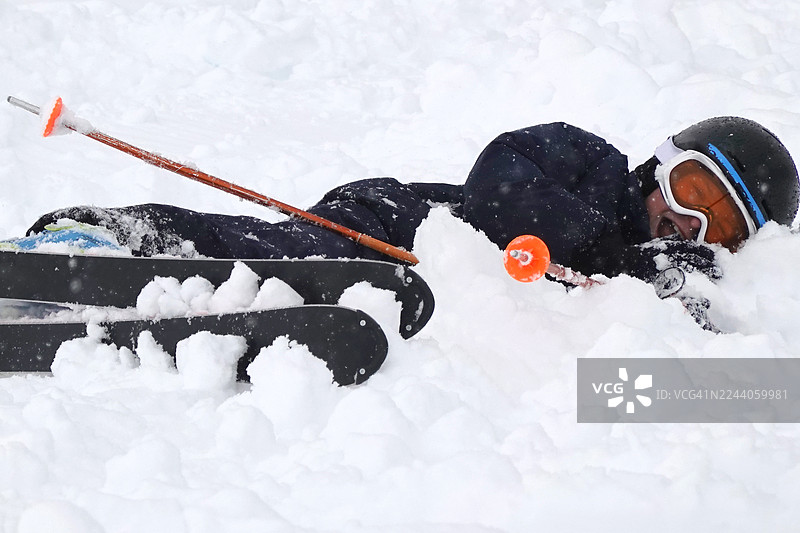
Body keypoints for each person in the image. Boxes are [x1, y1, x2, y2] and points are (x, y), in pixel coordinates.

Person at [22, 116, 800, 288]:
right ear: (661, 167)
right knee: (282, 254)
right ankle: (107, 235)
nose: (685, 222)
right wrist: (612, 255)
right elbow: (501, 178)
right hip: (393, 224)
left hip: (409, 296)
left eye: (719, 226)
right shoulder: (589, 164)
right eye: (691, 192)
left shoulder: (661, 288)